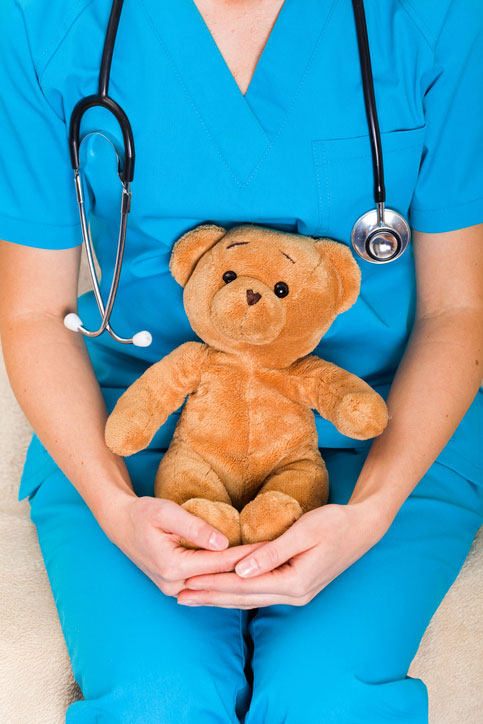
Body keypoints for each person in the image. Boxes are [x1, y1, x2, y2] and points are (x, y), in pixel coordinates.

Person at [0, 0, 482, 721]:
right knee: (153, 704)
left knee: (329, 702)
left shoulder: (438, 17)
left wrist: (371, 512)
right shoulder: (41, 20)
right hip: (140, 433)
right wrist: (115, 506)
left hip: (382, 428)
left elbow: (458, 312)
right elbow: (31, 313)